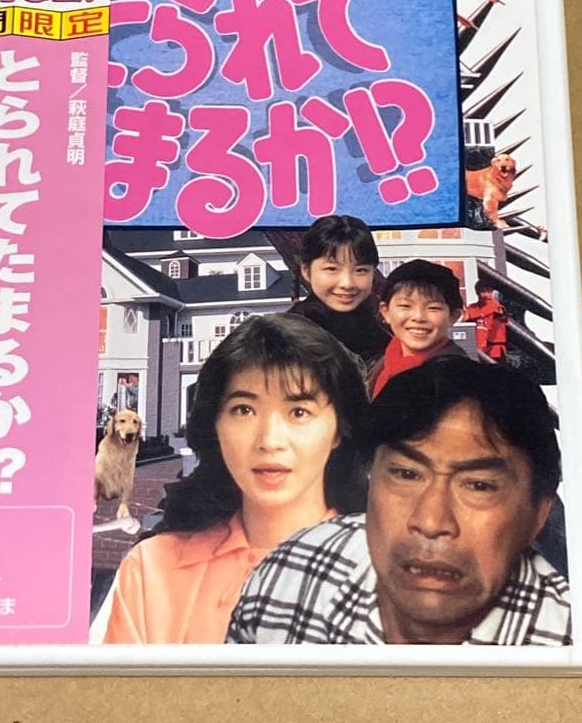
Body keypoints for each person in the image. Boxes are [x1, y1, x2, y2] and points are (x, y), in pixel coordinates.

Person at [228, 357, 571, 646]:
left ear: (539, 515)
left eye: (479, 486)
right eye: (406, 474)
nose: (431, 522)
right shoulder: (291, 571)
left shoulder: (570, 640)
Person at [102, 314, 369, 644]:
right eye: (244, 410)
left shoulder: (385, 569)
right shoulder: (152, 570)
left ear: (340, 428)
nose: (270, 440)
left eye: (298, 413)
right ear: (215, 424)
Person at [289, 214, 389, 371]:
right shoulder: (284, 337)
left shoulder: (389, 330)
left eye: (361, 270)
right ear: (306, 271)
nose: (347, 283)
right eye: (332, 269)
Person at [369, 259, 467, 398]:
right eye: (405, 306)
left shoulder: (457, 377)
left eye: (433, 308)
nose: (418, 317)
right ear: (386, 312)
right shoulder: (379, 365)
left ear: (453, 316)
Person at [464, 282, 509, 360]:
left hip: (494, 350)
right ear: (477, 293)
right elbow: (464, 319)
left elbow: (502, 316)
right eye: (483, 291)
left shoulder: (498, 307)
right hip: (476, 349)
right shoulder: (472, 307)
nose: (486, 295)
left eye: (489, 291)